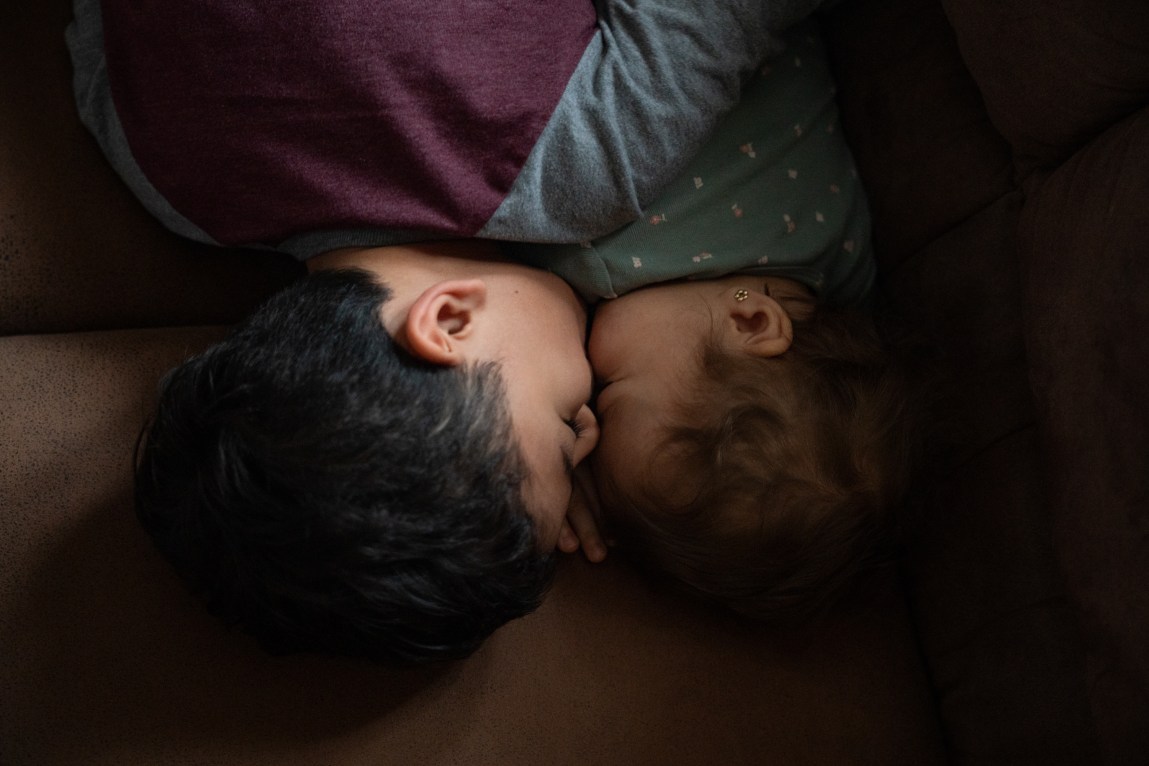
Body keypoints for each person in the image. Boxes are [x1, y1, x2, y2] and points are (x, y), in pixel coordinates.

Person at [69, 0, 836, 663]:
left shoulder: (581, 162)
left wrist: (525, 445)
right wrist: (532, 465)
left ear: (451, 319)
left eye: (571, 420)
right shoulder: (163, 174)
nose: (593, 417)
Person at [525, 21, 926, 622]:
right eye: (611, 396)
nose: (583, 396)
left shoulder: (838, 272)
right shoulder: (593, 258)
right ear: (750, 322)